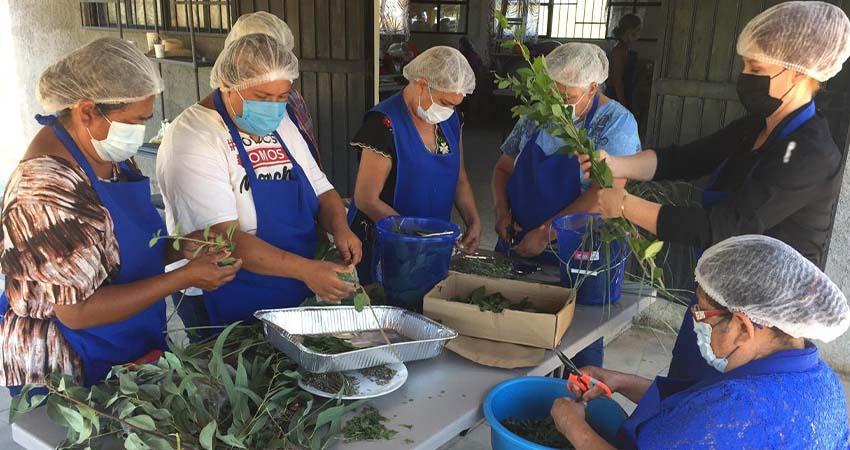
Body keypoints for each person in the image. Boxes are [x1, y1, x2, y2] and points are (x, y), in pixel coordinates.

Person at [582, 1, 850, 382]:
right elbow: (687, 158)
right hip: (721, 292)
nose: (744, 76)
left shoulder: (811, 152)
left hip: (762, 322)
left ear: (796, 73)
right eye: (745, 65)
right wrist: (617, 164)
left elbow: (725, 225)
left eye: (756, 69)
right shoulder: (757, 125)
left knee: (721, 404)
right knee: (686, 385)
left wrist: (624, 204)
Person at [0, 38, 239, 391]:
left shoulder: (106, 155)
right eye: (134, 121)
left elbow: (115, 249)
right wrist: (184, 277)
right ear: (86, 111)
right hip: (70, 372)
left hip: (126, 345)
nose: (138, 131)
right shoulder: (45, 193)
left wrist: (178, 248)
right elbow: (77, 311)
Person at [550, 235, 850, 449]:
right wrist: (619, 381)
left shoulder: (745, 409)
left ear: (743, 327)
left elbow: (713, 418)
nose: (695, 321)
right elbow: (692, 409)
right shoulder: (820, 381)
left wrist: (573, 426)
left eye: (702, 313)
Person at [156, 33, 361, 328]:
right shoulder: (193, 137)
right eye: (263, 98)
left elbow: (322, 188)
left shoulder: (281, 120)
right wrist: (307, 270)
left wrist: (341, 228)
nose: (274, 108)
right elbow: (224, 239)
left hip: (292, 281)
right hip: (228, 291)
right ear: (228, 86)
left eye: (282, 97)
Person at [491, 42, 640, 368]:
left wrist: (546, 232)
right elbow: (503, 168)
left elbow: (606, 193)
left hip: (578, 254)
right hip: (519, 244)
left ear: (592, 87)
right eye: (551, 94)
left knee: (579, 342)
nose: (557, 103)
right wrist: (503, 212)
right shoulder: (536, 116)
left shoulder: (615, 124)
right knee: (517, 334)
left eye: (567, 97)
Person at [348, 46, 481, 285]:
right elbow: (366, 199)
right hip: (386, 244)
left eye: (454, 104)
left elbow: (459, 177)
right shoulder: (384, 124)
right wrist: (414, 236)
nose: (448, 110)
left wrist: (474, 220)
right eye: (444, 102)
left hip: (430, 246)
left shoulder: (450, 120)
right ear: (421, 84)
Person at [605, 14, 641, 112]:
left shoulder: (626, 49)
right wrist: (623, 105)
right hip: (616, 94)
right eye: (636, 31)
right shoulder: (618, 51)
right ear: (628, 31)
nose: (638, 34)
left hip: (625, 92)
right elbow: (617, 80)